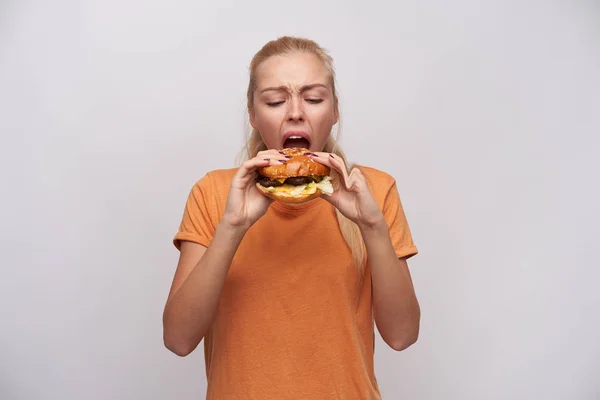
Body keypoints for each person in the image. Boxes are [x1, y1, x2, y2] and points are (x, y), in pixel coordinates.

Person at [162, 36, 420, 399]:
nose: (295, 112)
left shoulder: (373, 191)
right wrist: (232, 227)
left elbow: (402, 335)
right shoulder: (214, 193)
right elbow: (178, 338)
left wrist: (373, 227)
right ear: (253, 114)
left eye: (313, 98)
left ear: (334, 112)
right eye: (275, 100)